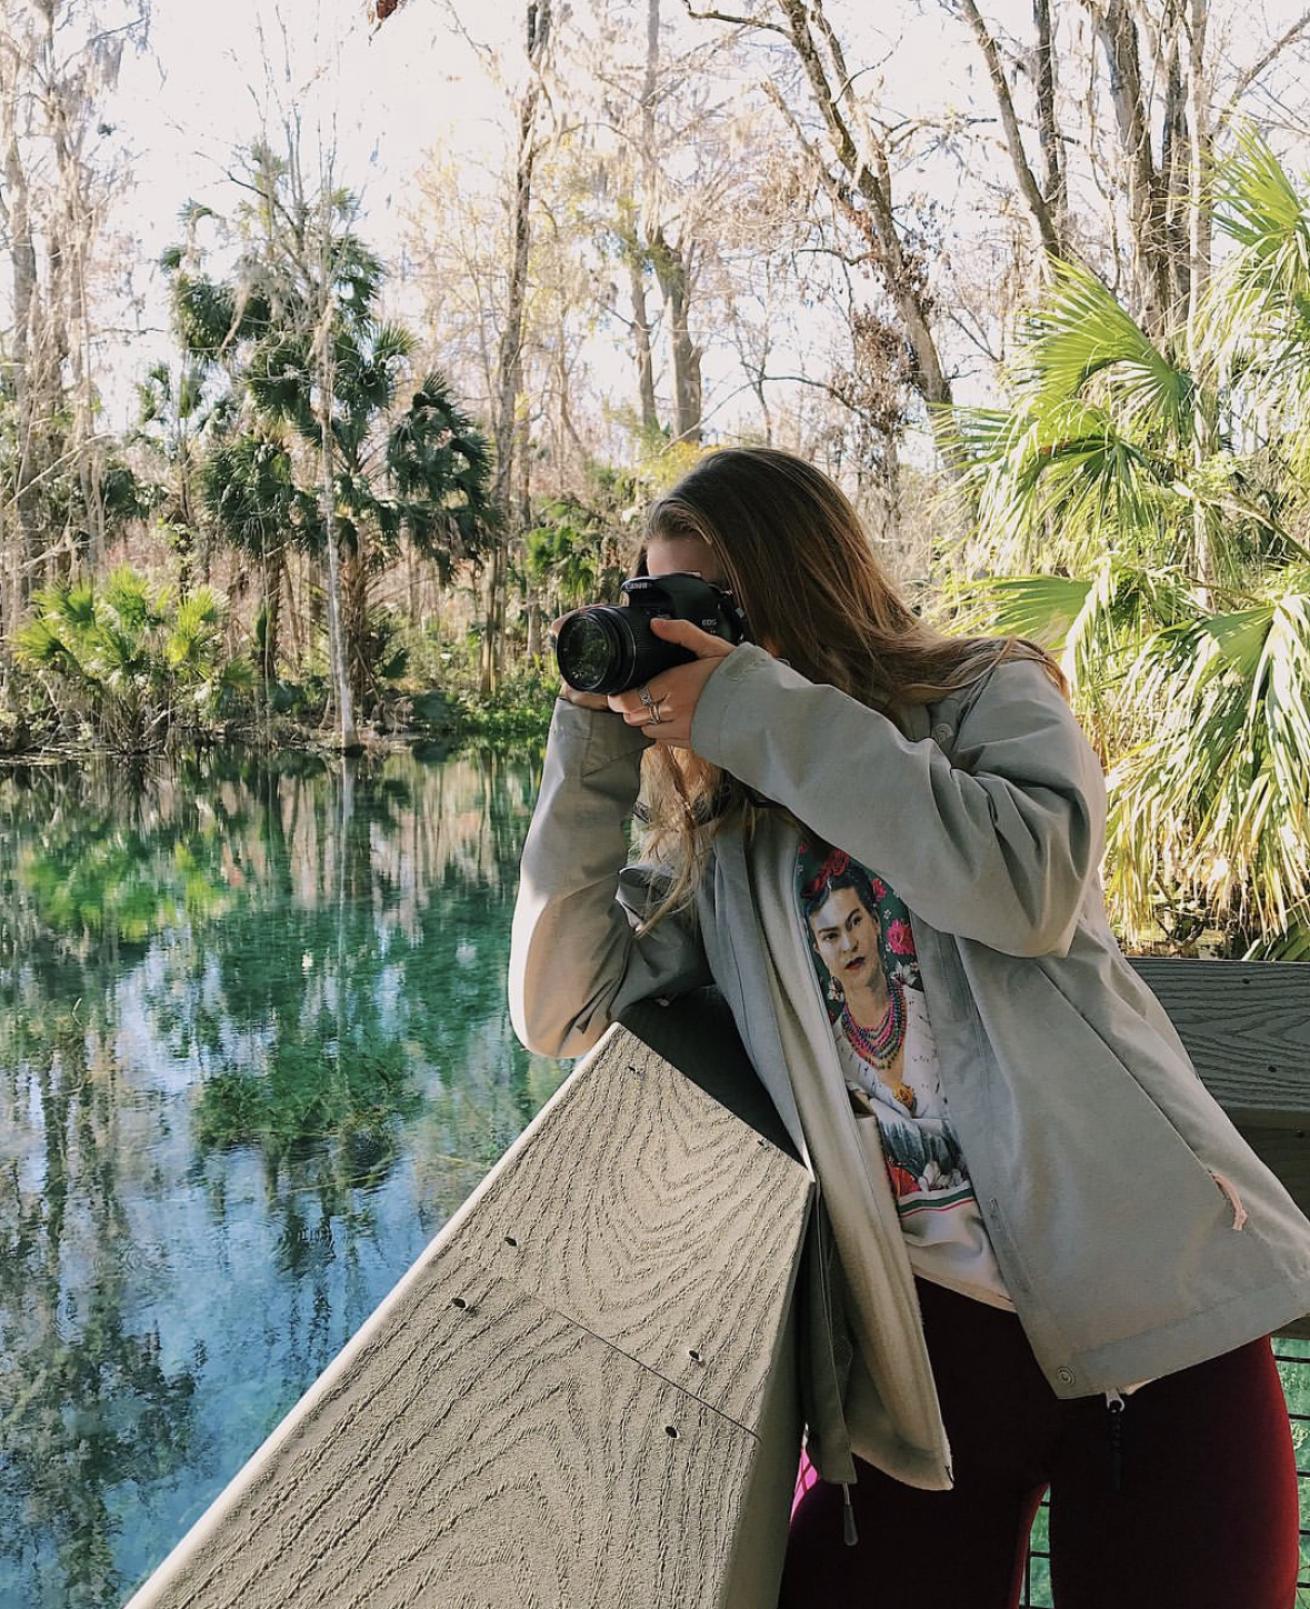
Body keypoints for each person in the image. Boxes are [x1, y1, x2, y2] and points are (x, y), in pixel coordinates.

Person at [508, 445, 1309, 1608]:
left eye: (697, 607)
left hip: (1158, 1315)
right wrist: (592, 747)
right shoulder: (723, 849)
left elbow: (1023, 885)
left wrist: (753, 706)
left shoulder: (985, 696)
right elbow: (560, 1005)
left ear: (787, 588)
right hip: (919, 1374)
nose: (672, 637)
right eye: (651, 604)